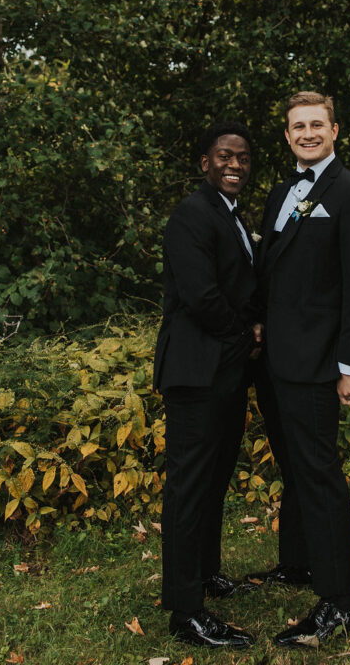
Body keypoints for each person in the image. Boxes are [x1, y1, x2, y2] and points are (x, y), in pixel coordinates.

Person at [246, 91, 350, 647]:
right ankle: (298, 563)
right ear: (286, 135)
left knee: (319, 473)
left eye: (316, 125)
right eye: (297, 126)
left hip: (319, 362)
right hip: (274, 360)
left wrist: (349, 367)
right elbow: (269, 270)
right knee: (294, 466)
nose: (306, 133)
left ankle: (340, 601)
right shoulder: (281, 191)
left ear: (334, 130)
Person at [153, 121, 262, 648]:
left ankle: (206, 574)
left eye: (242, 157)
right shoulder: (191, 215)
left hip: (224, 370)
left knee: (216, 478)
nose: (234, 165)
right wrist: (247, 337)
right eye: (224, 156)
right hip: (197, 371)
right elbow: (200, 296)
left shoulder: (231, 215)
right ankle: (185, 612)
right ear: (205, 162)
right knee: (190, 487)